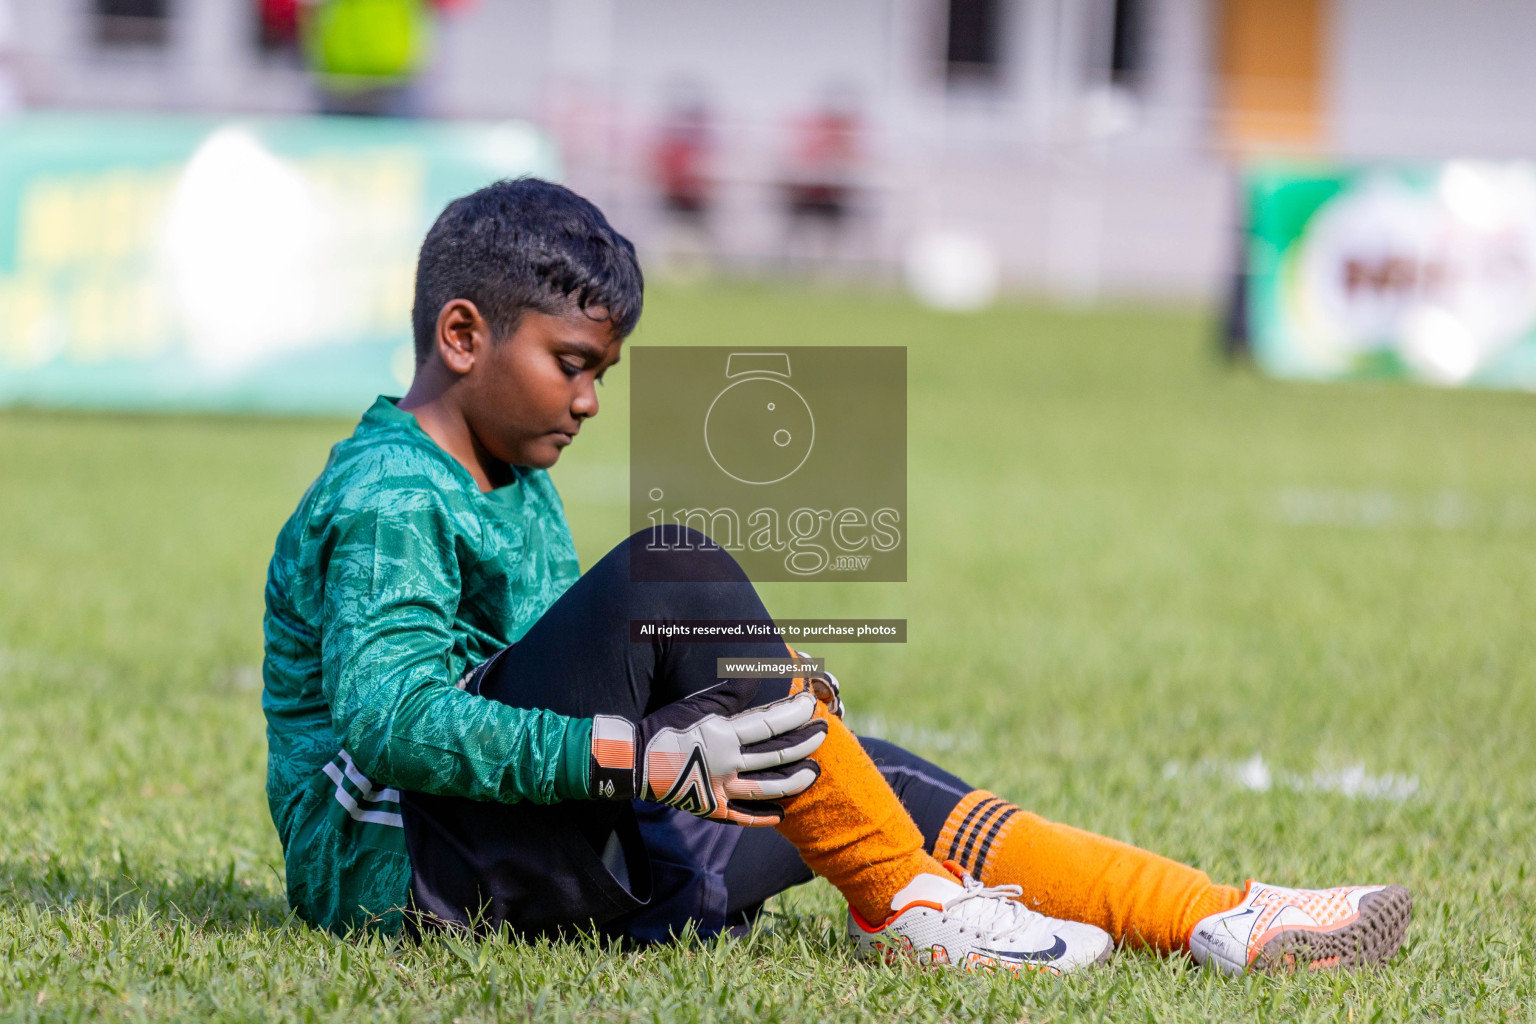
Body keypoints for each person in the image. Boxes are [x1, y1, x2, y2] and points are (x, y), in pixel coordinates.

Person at [261, 178, 1412, 977]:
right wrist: (642, 753)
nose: (591, 399)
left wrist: (733, 710)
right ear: (462, 334)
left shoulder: (511, 474)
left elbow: (554, 685)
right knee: (677, 565)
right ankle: (914, 909)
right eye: (572, 365)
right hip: (400, 871)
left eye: (602, 370)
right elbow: (393, 718)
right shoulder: (391, 491)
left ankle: (1217, 918)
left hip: (526, 843)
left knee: (850, 763)